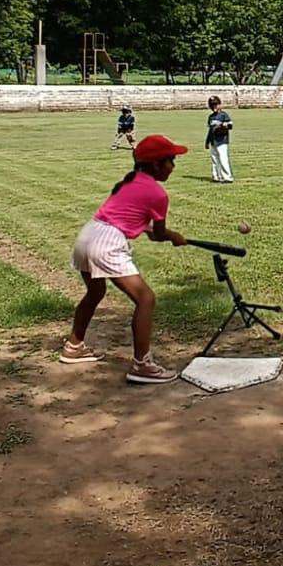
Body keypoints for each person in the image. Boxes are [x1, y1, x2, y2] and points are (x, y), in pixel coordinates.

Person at [61, 134, 189, 383]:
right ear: (155, 165)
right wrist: (173, 236)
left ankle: (74, 346)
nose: (173, 166)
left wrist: (162, 234)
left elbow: (135, 222)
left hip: (88, 235)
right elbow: (159, 233)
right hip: (107, 243)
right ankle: (142, 364)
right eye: (171, 160)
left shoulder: (129, 182)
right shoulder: (158, 194)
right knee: (145, 298)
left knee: (95, 293)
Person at [205, 95, 234, 183]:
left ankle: (227, 177)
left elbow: (230, 125)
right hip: (213, 141)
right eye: (212, 105)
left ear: (219, 105)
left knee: (223, 159)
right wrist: (207, 141)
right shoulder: (211, 117)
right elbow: (210, 130)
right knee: (215, 159)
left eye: (216, 104)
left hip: (222, 141)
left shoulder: (223, 115)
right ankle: (216, 176)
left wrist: (224, 125)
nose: (214, 107)